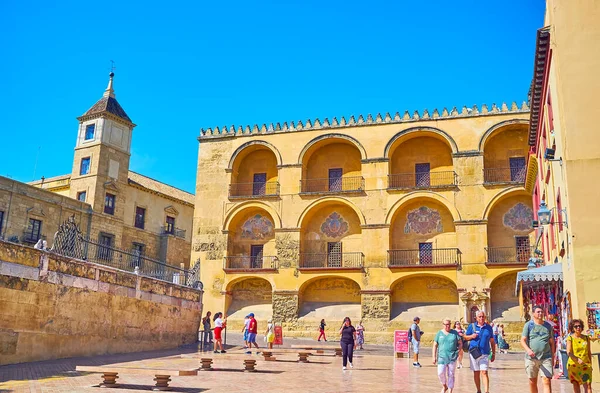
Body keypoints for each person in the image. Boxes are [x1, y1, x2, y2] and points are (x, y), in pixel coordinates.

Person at [520, 306, 555, 393]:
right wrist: (528, 350)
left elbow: (552, 343)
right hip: (531, 359)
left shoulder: (548, 326)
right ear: (533, 314)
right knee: (532, 382)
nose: (540, 313)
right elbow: (522, 340)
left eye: (542, 312)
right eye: (538, 312)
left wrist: (553, 357)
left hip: (546, 357)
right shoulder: (528, 325)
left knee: (547, 380)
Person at [465, 311, 496, 393]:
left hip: (485, 353)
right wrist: (471, 336)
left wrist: (493, 353)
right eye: (480, 317)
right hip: (474, 353)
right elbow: (465, 337)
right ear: (476, 318)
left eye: (483, 316)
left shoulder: (488, 327)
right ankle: (478, 390)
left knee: (484, 372)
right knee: (476, 372)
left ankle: (486, 391)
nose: (481, 318)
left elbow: (492, 341)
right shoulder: (471, 326)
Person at [433, 318, 462, 393]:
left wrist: (458, 350)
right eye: (445, 325)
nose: (447, 326)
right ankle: (444, 386)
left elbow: (460, 342)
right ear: (443, 325)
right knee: (440, 373)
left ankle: (450, 390)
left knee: (451, 374)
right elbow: (435, 345)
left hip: (452, 357)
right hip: (442, 357)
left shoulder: (454, 333)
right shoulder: (439, 333)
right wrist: (434, 357)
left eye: (448, 324)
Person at [566, 319, 593, 393]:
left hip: (585, 365)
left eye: (579, 326)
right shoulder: (570, 338)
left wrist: (590, 364)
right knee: (576, 384)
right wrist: (576, 359)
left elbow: (588, 352)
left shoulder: (586, 338)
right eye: (576, 326)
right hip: (574, 365)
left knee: (588, 384)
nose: (578, 328)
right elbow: (568, 352)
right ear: (573, 328)